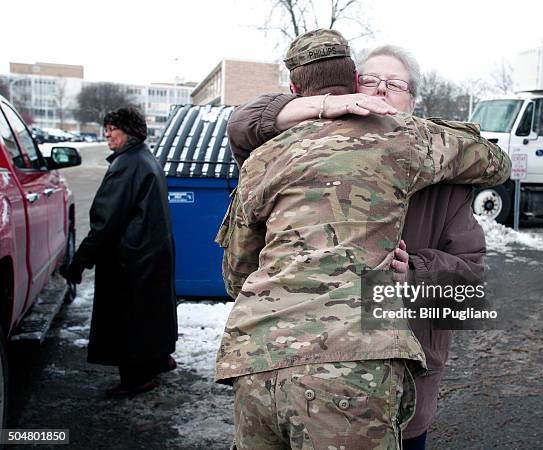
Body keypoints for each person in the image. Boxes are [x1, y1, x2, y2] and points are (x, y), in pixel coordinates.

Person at [216, 29, 510, 449]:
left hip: (388, 376)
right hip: (351, 367)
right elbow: (243, 125)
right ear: (350, 88)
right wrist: (313, 108)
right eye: (369, 82)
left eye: (395, 85)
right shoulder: (299, 147)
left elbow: (472, 291)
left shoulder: (439, 172)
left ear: (414, 102)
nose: (380, 93)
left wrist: (418, 271)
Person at [62, 107, 178, 397]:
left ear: (130, 131)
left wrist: (80, 260)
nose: (107, 134)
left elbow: (106, 219)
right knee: (150, 314)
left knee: (129, 320)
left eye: (112, 128)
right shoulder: (144, 158)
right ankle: (157, 359)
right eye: (107, 128)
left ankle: (136, 378)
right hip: (150, 253)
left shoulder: (127, 164)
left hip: (131, 259)